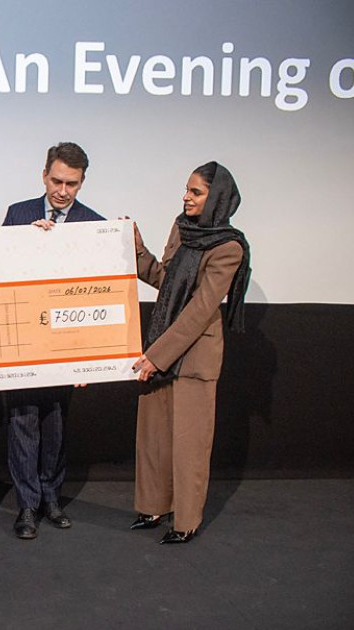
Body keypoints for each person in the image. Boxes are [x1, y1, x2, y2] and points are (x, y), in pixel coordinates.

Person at [130, 161, 250, 544]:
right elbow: (165, 281)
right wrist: (134, 248)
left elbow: (200, 309)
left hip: (192, 356)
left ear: (215, 197)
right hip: (162, 343)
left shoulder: (228, 247)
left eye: (195, 192)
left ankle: (185, 521)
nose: (186, 197)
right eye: (187, 189)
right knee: (155, 439)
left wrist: (157, 356)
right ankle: (153, 508)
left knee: (189, 445)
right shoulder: (182, 229)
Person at [2, 142, 103, 540]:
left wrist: (87, 359)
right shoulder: (18, 214)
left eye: (72, 184)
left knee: (56, 424)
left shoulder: (93, 222)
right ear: (44, 175)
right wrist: (29, 242)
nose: (63, 191)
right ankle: (26, 506)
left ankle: (50, 497)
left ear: (81, 183)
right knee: (22, 421)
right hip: (24, 336)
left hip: (66, 341)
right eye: (57, 181)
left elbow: (96, 291)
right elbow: (0, 270)